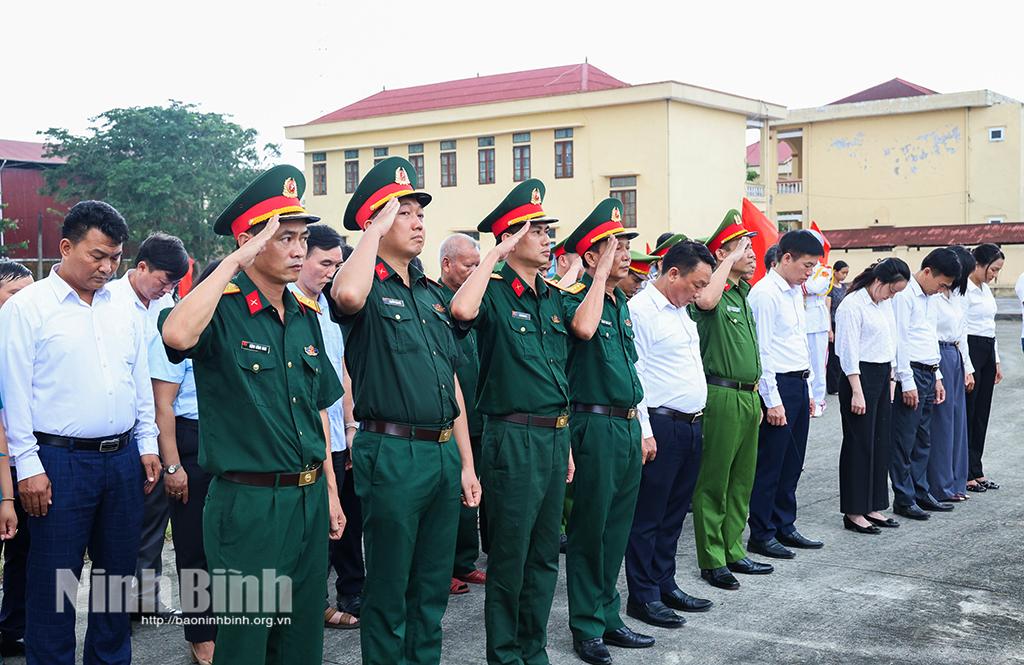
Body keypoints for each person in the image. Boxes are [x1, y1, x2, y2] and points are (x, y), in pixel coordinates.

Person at [161, 166, 346, 665]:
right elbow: (176, 336)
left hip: (306, 498)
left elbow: (318, 414)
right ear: (248, 241)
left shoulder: (306, 315)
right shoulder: (219, 310)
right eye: (284, 238)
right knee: (246, 645)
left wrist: (329, 493)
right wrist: (233, 262)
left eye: (302, 239)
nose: (297, 251)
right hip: (249, 505)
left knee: (302, 638)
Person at [330, 157, 480, 665]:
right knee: (390, 586)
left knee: (432, 588)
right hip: (391, 450)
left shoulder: (431, 294)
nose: (418, 222)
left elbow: (452, 385)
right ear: (376, 221)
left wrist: (464, 463)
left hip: (439, 453)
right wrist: (372, 229)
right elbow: (346, 294)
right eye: (405, 212)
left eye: (420, 213)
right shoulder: (365, 285)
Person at [0, 200, 162, 665]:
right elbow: (15, 394)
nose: (107, 268)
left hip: (123, 458)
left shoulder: (124, 309)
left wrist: (147, 443)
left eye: (115, 258)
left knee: (115, 582)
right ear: (65, 247)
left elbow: (139, 380)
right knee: (54, 584)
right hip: (58, 463)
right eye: (97, 256)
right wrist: (27, 467)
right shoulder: (28, 308)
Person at [449, 179, 577, 665]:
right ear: (510, 237)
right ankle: (504, 655)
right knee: (510, 557)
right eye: (536, 231)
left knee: (544, 557)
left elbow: (558, 373)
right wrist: (494, 256)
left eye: (548, 230)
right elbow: (461, 309)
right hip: (512, 437)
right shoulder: (495, 291)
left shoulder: (550, 296)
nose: (547, 239)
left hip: (551, 435)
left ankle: (533, 650)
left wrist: (563, 439)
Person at [560, 199, 654, 665]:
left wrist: (641, 428)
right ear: (591, 256)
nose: (625, 253)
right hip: (592, 422)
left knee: (616, 528)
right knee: (589, 530)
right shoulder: (577, 295)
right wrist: (593, 277)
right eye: (614, 246)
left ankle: (610, 615)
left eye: (626, 244)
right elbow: (582, 331)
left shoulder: (620, 301)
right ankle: (586, 626)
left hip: (625, 422)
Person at [624, 241, 715, 629]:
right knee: (649, 515)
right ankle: (642, 596)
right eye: (696, 284)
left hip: (691, 424)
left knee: (675, 512)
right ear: (672, 273)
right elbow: (636, 375)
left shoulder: (681, 311)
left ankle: (665, 583)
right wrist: (644, 431)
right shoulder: (640, 311)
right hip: (660, 426)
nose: (699, 293)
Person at [107, 232, 190, 620]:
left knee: (156, 518)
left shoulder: (167, 305)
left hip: (155, 428)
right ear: (141, 268)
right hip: (120, 431)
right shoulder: (108, 303)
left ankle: (145, 598)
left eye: (174, 284)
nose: (167, 289)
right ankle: (117, 607)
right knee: (123, 524)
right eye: (163, 280)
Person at [690, 211, 773, 591]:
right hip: (720, 394)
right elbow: (705, 301)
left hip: (747, 396)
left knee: (742, 480)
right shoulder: (713, 293)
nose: (752, 252)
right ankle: (712, 558)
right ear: (723, 251)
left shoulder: (744, 293)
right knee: (715, 480)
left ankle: (734, 548)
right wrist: (724, 259)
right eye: (743, 246)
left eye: (752, 246)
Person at [286, 224, 359, 629]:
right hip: (304, 440)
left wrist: (349, 426)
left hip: (334, 434)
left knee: (330, 530)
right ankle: (299, 610)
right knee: (303, 534)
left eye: (337, 264)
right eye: (324, 262)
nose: (331, 271)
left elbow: (342, 368)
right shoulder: (289, 306)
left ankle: (316, 604)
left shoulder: (328, 307)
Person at [149, 259, 220, 665]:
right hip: (189, 442)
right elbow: (163, 407)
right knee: (194, 546)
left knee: (229, 543)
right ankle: (201, 633)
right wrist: (173, 467)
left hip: (231, 443)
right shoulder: (177, 328)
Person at [747, 229, 825, 559]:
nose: (809, 273)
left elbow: (797, 344)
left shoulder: (794, 292)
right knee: (770, 464)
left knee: (793, 462)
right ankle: (762, 532)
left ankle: (784, 524)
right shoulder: (765, 294)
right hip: (775, 385)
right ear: (786, 257)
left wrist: (807, 388)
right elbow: (762, 351)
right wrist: (772, 399)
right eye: (807, 266)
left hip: (796, 383)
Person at [834, 258, 910, 534]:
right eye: (892, 290)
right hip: (859, 377)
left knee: (880, 443)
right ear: (879, 281)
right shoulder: (852, 305)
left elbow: (890, 342)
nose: (893, 296)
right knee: (859, 443)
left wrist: (892, 378)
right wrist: (857, 390)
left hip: (882, 374)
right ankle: (854, 511)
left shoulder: (884, 304)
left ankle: (874, 505)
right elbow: (847, 350)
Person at [889, 247, 960, 520]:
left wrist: (938, 376)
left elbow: (929, 337)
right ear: (927, 272)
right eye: (941, 284)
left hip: (930, 371)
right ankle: (904, 498)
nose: (941, 290)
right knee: (904, 440)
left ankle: (921, 491)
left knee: (923, 439)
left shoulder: (931, 297)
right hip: (912, 374)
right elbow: (900, 340)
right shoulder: (905, 296)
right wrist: (906, 381)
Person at [438, 232, 489, 592]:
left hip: (480, 411)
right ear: (447, 264)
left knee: (473, 493)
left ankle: (465, 561)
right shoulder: (435, 299)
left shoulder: (478, 300)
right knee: (450, 498)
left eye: (477, 264)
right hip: (451, 416)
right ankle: (444, 567)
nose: (474, 270)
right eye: (469, 264)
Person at [0, 261, 31, 657]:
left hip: (22, 462)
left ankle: (11, 628)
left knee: (23, 551)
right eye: (13, 294)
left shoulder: (31, 337)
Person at [927, 246, 975, 503]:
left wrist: (968, 367)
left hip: (955, 355)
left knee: (957, 421)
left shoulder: (958, 297)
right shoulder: (933, 296)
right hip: (939, 356)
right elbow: (929, 335)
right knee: (942, 423)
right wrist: (937, 374)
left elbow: (962, 334)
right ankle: (940, 485)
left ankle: (957, 481)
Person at [964, 243, 1005, 492]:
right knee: (969, 413)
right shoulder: (964, 289)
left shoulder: (986, 290)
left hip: (987, 350)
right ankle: (965, 471)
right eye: (994, 269)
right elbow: (961, 329)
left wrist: (997, 360)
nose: (995, 274)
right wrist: (967, 365)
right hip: (970, 348)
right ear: (979, 263)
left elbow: (991, 326)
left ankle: (977, 469)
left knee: (982, 413)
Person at [803, 261, 833, 416]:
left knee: (818, 364)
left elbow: (814, 287)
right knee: (805, 363)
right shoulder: (801, 268)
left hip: (818, 324)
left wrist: (804, 285)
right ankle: (808, 399)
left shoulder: (824, 270)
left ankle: (819, 400)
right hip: (803, 320)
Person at [826, 260, 850, 394]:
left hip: (842, 324)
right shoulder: (829, 288)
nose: (845, 276)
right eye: (843, 272)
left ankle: (839, 383)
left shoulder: (844, 287)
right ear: (835, 271)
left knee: (841, 354)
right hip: (833, 323)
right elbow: (828, 308)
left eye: (847, 273)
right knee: (833, 357)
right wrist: (829, 329)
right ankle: (833, 386)